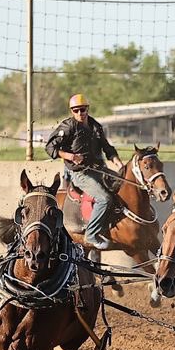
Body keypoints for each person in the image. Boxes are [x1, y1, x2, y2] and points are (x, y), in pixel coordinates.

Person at [45, 94, 125, 249]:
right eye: (76, 110)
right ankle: (92, 234)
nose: (80, 113)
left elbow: (107, 148)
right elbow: (50, 147)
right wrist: (70, 156)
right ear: (72, 111)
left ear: (88, 109)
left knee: (123, 187)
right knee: (104, 199)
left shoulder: (95, 126)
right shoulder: (68, 126)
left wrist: (119, 163)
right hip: (80, 173)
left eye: (83, 109)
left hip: (100, 169)